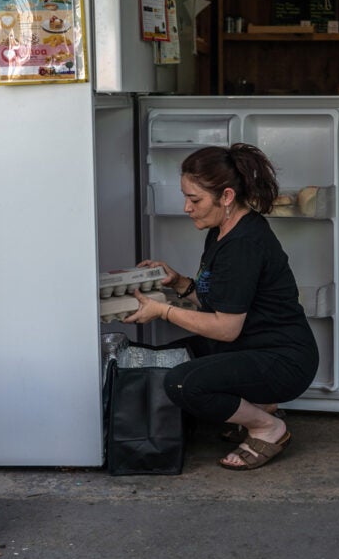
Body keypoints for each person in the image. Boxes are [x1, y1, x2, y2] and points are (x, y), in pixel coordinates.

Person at [124, 143, 319, 471]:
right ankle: (261, 405)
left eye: (195, 199)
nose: (187, 207)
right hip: (251, 346)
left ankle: (267, 427)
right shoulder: (221, 231)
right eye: (186, 197)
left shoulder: (243, 245)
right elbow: (221, 301)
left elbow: (226, 328)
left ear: (226, 197)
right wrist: (180, 283)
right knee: (164, 361)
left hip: (282, 359)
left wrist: (162, 311)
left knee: (181, 382)